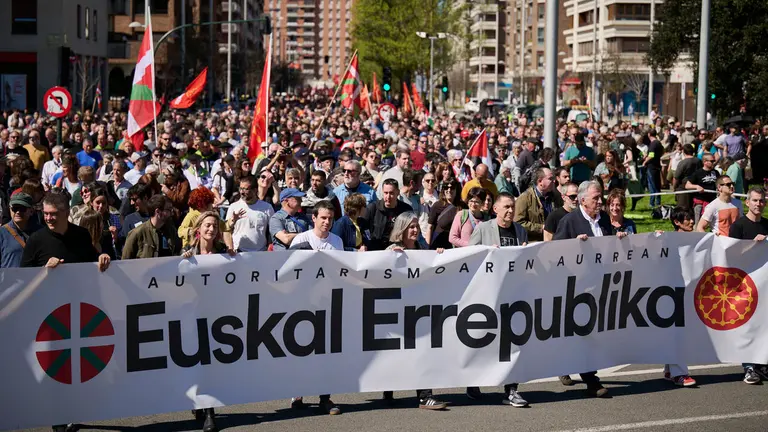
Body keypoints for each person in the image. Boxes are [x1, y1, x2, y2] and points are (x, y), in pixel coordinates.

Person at [380, 211, 448, 410]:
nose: (415, 230)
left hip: (419, 312)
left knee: (422, 351)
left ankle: (424, 395)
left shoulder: (422, 248)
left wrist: (440, 256)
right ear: (401, 229)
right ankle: (388, 389)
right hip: (396, 311)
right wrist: (389, 259)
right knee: (396, 353)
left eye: (416, 226)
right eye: (411, 226)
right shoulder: (391, 250)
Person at [467, 192, 529, 406]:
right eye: (506, 207)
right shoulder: (483, 229)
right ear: (495, 209)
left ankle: (511, 390)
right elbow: (468, 256)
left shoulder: (520, 230)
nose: (511, 210)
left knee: (511, 343)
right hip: (487, 295)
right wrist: (485, 252)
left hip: (512, 295)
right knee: (482, 340)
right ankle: (472, 380)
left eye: (512, 207)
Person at [553, 180, 611, 398]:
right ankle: (591, 380)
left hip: (601, 286)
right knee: (583, 333)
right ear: (582, 199)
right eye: (595, 198)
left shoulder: (603, 219)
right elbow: (556, 253)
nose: (600, 201)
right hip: (576, 288)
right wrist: (573, 246)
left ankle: (566, 364)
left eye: (600, 197)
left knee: (588, 334)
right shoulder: (569, 221)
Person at [286, 200, 342, 415]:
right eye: (323, 218)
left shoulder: (337, 241)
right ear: (314, 218)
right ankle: (297, 393)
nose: (327, 222)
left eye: (330, 218)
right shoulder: (301, 239)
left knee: (326, 352)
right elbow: (290, 271)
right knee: (301, 349)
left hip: (328, 303)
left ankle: (325, 397)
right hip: (302, 304)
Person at [727, 186, 768, 384]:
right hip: (744, 283)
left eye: (761, 201)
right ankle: (749, 367)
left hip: (765, 284)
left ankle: (762, 364)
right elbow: (730, 254)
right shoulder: (738, 226)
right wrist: (753, 245)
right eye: (755, 200)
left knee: (763, 326)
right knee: (747, 326)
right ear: (747, 202)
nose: (758, 204)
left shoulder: (767, 225)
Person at [21, 191, 111, 272]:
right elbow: (25, 275)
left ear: (67, 213)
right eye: (46, 213)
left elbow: (91, 262)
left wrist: (101, 257)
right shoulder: (35, 240)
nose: (48, 218)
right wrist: (45, 269)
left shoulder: (82, 235)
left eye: (53, 214)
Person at [122, 194, 181, 259]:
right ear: (158, 211)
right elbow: (125, 261)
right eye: (169, 210)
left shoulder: (171, 231)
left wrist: (185, 254)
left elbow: (178, 253)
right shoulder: (137, 233)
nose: (172, 213)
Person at [226, 175, 274, 252]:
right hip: (238, 253)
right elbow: (226, 230)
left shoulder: (267, 207)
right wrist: (230, 248)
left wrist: (270, 245)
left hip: (260, 252)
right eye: (240, 189)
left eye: (245, 189)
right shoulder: (233, 207)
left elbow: (273, 230)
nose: (242, 192)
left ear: (255, 190)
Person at [514, 167, 561, 242]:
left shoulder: (556, 196)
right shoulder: (525, 198)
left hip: (553, 241)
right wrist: (541, 228)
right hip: (534, 243)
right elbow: (518, 222)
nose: (554, 181)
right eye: (550, 179)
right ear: (540, 181)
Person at [366, 178, 412, 250]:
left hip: (397, 250)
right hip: (375, 251)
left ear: (398, 192)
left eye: (391, 193)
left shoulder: (406, 210)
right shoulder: (372, 208)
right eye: (386, 193)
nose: (388, 197)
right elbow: (363, 229)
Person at [0, 192, 41, 268]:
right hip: (9, 279)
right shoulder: (1, 233)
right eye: (15, 208)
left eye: (22, 208)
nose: (18, 212)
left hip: (36, 278)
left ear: (31, 211)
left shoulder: (41, 232)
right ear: (10, 210)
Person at [684, 153, 719, 225]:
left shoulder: (716, 172)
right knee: (698, 222)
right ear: (705, 162)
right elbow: (687, 185)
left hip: (713, 201)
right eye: (712, 161)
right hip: (700, 202)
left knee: (714, 222)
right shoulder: (698, 173)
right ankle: (697, 234)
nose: (714, 163)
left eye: (714, 161)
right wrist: (696, 186)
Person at [672, 144, 702, 210]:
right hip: (696, 187)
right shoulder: (698, 161)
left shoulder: (682, 163)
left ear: (683, 151)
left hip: (684, 188)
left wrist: (674, 187)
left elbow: (676, 177)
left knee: (683, 210)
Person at [642, 129, 664, 207]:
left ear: (649, 134)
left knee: (652, 186)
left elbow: (651, 155)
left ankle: (652, 203)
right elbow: (662, 152)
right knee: (657, 186)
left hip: (652, 167)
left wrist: (645, 161)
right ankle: (658, 202)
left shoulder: (653, 144)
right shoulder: (658, 143)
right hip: (657, 166)